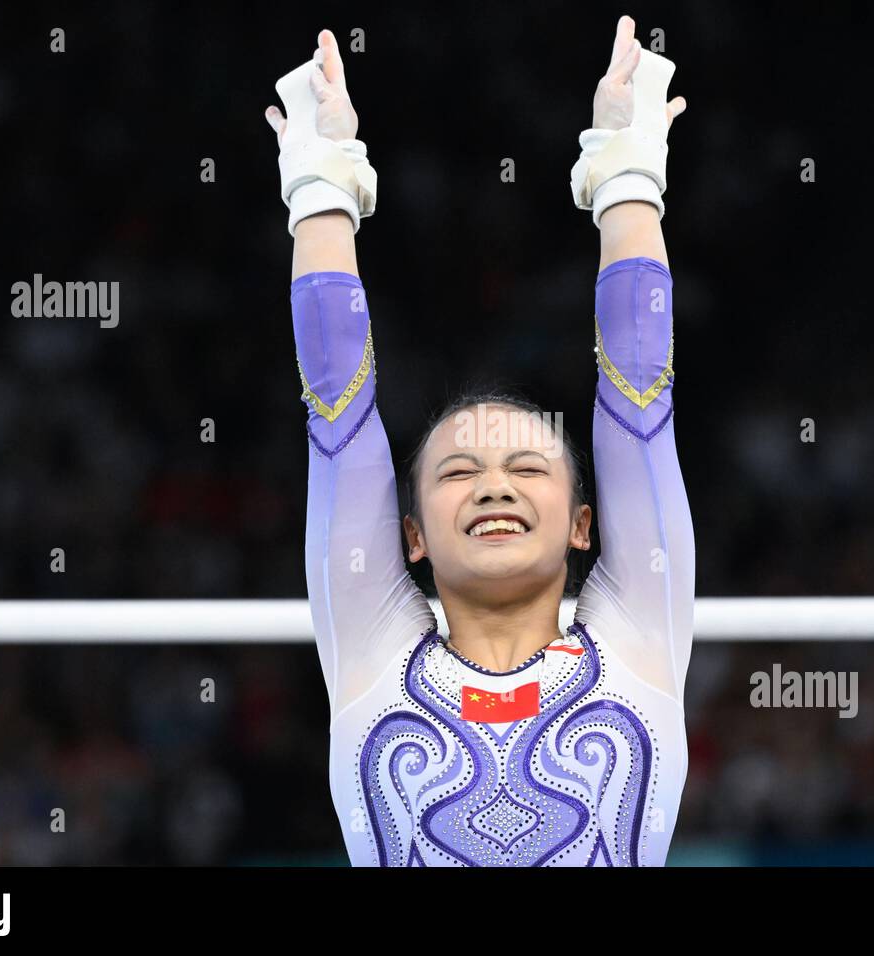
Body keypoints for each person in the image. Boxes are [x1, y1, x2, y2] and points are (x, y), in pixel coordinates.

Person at [265, 15, 694, 866]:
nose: (493, 485)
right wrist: (321, 186)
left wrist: (627, 171)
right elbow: (338, 409)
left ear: (583, 522)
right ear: (411, 536)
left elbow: (640, 393)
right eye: (459, 471)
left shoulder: (641, 636)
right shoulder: (372, 651)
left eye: (527, 466)